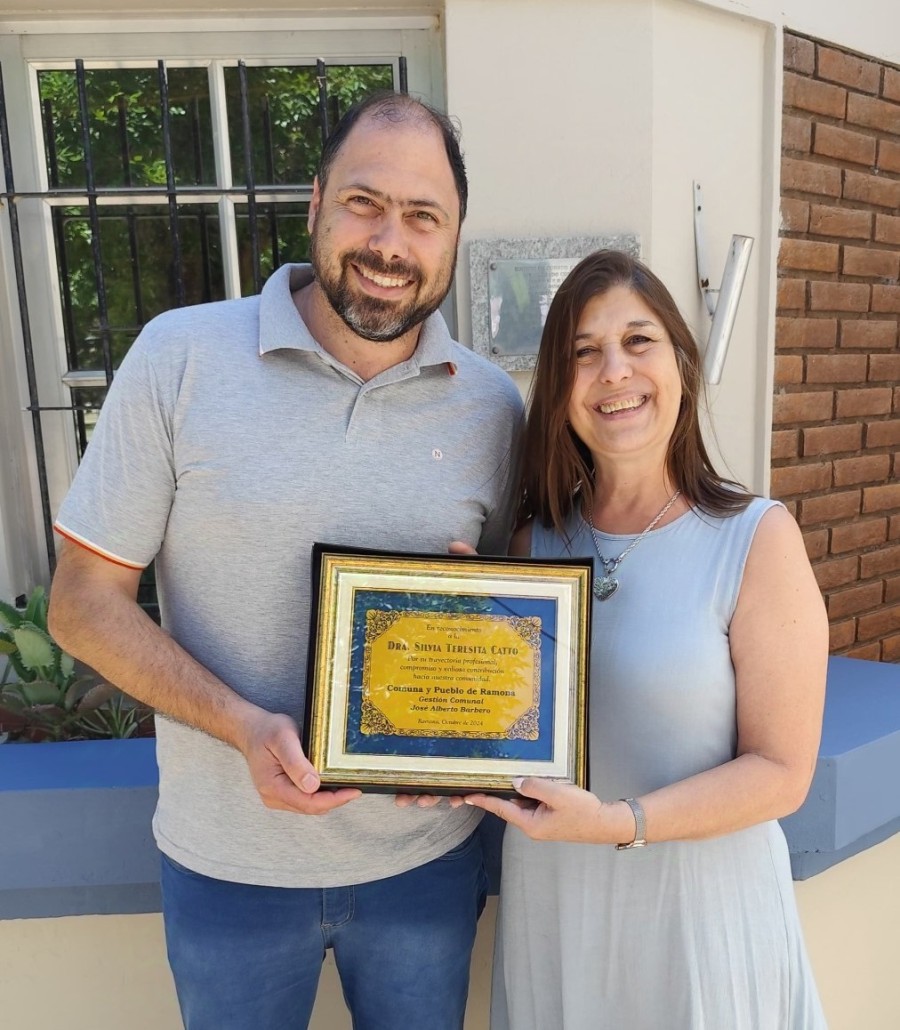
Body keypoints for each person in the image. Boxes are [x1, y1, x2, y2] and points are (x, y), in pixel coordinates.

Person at [48, 91, 523, 1030]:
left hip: (426, 864)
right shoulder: (180, 358)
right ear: (314, 202)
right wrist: (241, 726)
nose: (391, 242)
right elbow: (81, 605)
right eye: (364, 202)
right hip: (230, 869)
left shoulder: (494, 407)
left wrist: (488, 662)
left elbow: (516, 626)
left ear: (455, 235)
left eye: (423, 216)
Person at [464, 250, 828, 1029]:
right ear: (559, 391)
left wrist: (622, 823)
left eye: (639, 341)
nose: (614, 371)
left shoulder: (755, 538)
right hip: (559, 909)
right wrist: (453, 624)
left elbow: (783, 772)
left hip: (698, 915)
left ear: (681, 365)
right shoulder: (531, 547)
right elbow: (502, 734)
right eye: (583, 353)